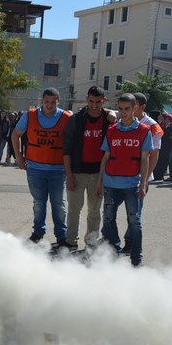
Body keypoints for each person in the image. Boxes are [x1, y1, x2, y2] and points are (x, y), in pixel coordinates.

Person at [96, 93, 153, 267]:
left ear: (134, 108)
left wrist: (143, 183)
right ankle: (114, 251)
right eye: (120, 109)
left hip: (131, 184)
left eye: (127, 109)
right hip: (111, 183)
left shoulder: (144, 131)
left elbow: (145, 159)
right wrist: (99, 181)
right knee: (108, 218)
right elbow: (105, 157)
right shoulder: (112, 130)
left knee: (134, 221)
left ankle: (137, 257)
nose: (123, 112)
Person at [11, 87, 71, 248]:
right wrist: (19, 158)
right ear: (42, 101)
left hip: (58, 169)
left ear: (58, 101)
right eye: (46, 102)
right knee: (39, 202)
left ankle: (61, 236)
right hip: (35, 167)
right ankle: (38, 232)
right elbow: (15, 134)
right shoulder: (30, 115)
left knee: (58, 203)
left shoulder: (66, 117)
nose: (49, 105)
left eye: (53, 102)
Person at [63, 85, 114, 249]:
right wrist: (69, 175)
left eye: (98, 102)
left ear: (103, 101)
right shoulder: (76, 119)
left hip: (99, 175)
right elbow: (67, 149)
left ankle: (91, 243)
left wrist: (114, 114)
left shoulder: (109, 119)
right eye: (91, 101)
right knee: (73, 209)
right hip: (78, 172)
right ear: (86, 99)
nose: (94, 105)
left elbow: (124, 117)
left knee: (94, 212)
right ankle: (71, 241)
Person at [120, 92, 162, 254]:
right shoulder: (123, 121)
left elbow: (155, 154)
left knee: (134, 213)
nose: (128, 109)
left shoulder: (152, 126)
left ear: (142, 107)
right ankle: (109, 239)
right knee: (110, 210)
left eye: (133, 105)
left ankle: (130, 243)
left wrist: (145, 179)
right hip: (120, 175)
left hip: (139, 177)